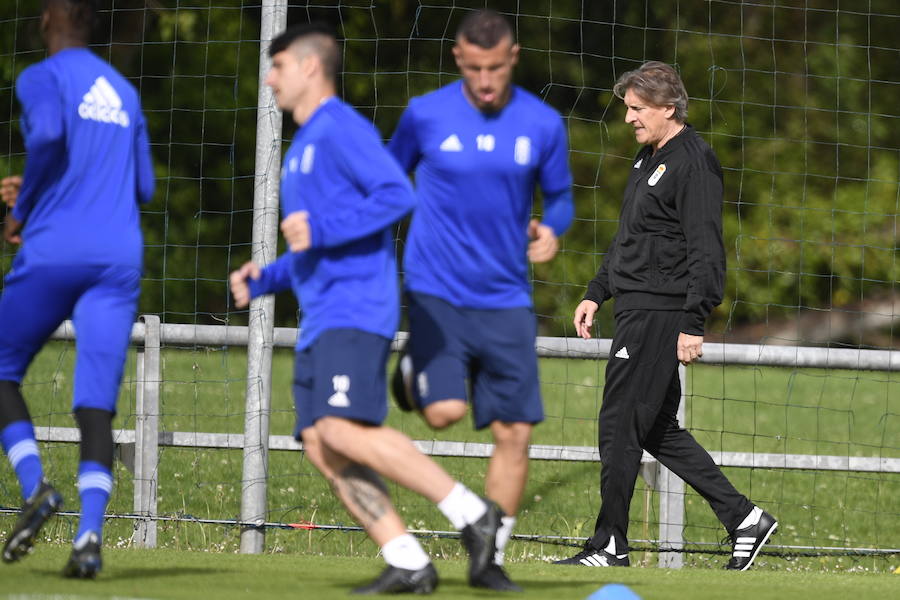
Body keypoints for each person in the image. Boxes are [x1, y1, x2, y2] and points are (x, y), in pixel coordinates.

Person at [228, 24, 509, 594]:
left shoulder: (338, 128)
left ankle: (471, 513)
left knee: (340, 428)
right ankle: (407, 558)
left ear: (310, 67)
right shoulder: (303, 146)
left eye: (278, 65)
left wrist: (322, 229)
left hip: (355, 310)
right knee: (319, 442)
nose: (270, 78)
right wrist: (267, 277)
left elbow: (396, 194)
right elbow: (313, 246)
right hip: (321, 315)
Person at [554, 61, 777, 570]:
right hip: (633, 307)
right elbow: (631, 239)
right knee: (653, 428)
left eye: (637, 109)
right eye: (627, 108)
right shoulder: (645, 158)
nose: (629, 118)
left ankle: (609, 545)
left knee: (618, 426)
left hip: (659, 313)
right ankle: (744, 519)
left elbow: (706, 250)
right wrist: (596, 291)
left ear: (668, 108)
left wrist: (694, 321)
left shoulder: (694, 162)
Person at [387, 8, 574, 589]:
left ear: (512, 59)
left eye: (495, 68)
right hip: (436, 289)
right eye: (475, 69)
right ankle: (416, 366)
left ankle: (487, 557)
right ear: (458, 62)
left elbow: (562, 197)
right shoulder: (424, 114)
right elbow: (387, 182)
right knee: (443, 415)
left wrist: (552, 230)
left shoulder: (542, 124)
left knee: (515, 432)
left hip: (506, 298)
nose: (486, 81)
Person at [0, 0, 154, 579]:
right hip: (118, 258)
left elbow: (48, 137)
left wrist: (25, 206)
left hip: (57, 249)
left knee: (2, 367)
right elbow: (142, 185)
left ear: (47, 20)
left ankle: (36, 486)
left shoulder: (40, 76)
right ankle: (89, 539)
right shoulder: (124, 90)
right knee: (95, 402)